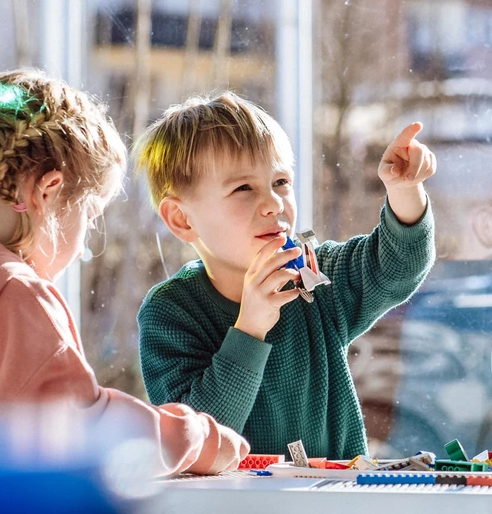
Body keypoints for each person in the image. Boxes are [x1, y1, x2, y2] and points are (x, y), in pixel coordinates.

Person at [0, 70, 246, 475]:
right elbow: (92, 435)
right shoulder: (18, 296)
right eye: (90, 214)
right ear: (47, 191)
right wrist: (201, 440)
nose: (86, 237)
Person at [135, 91, 435, 459]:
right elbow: (197, 444)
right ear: (182, 219)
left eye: (281, 182)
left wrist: (404, 191)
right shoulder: (170, 313)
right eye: (243, 188)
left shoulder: (313, 273)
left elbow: (397, 266)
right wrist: (250, 329)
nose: (274, 203)